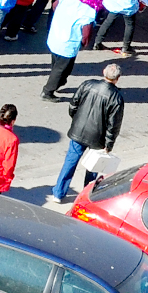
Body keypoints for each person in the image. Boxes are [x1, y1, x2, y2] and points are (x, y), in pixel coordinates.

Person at [52, 62, 124, 203]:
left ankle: (58, 193)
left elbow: (73, 104)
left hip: (78, 131)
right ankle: (87, 195)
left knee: (70, 162)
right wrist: (109, 145)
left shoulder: (88, 84)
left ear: (103, 72)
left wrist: (76, 120)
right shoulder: (116, 98)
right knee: (93, 168)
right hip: (98, 137)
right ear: (117, 78)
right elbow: (113, 125)